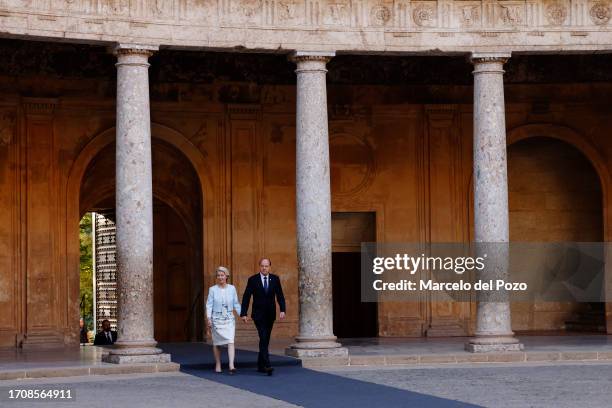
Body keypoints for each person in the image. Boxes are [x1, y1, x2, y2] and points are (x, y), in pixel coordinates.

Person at [241, 258, 285, 375]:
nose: (264, 268)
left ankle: (260, 365)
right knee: (263, 337)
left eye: (266, 266)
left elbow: (280, 295)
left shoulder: (275, 279)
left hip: (270, 314)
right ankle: (267, 364)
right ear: (259, 267)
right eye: (262, 266)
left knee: (265, 339)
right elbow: (246, 296)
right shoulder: (253, 280)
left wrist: (282, 309)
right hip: (258, 315)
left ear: (270, 267)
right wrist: (244, 313)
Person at [206, 266, 241, 374]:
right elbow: (209, 305)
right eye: (218, 275)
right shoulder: (212, 289)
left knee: (231, 341)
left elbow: (236, 303)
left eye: (222, 275)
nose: (220, 277)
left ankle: (231, 365)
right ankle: (218, 364)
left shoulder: (232, 288)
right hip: (216, 319)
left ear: (227, 276)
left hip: (229, 319)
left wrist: (242, 315)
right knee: (217, 343)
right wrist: (208, 318)